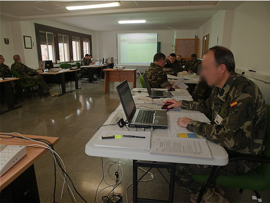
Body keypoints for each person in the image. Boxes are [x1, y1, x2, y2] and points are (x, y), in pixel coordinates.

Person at [164, 46, 267, 203]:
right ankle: (209, 186)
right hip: (225, 147)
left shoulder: (244, 93)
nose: (202, 73)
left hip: (240, 156)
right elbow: (207, 107)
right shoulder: (222, 87)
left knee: (177, 165)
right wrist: (181, 104)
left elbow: (230, 139)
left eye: (205, 68)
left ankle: (207, 194)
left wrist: (193, 124)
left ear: (221, 68)